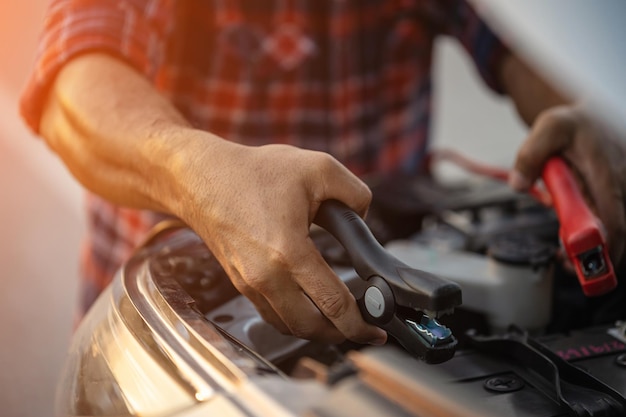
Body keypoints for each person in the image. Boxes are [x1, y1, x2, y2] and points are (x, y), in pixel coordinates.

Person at [20, 0, 626, 346]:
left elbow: (525, 43)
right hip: (171, 342)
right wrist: (199, 176)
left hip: (393, 307)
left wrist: (585, 113)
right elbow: (72, 86)